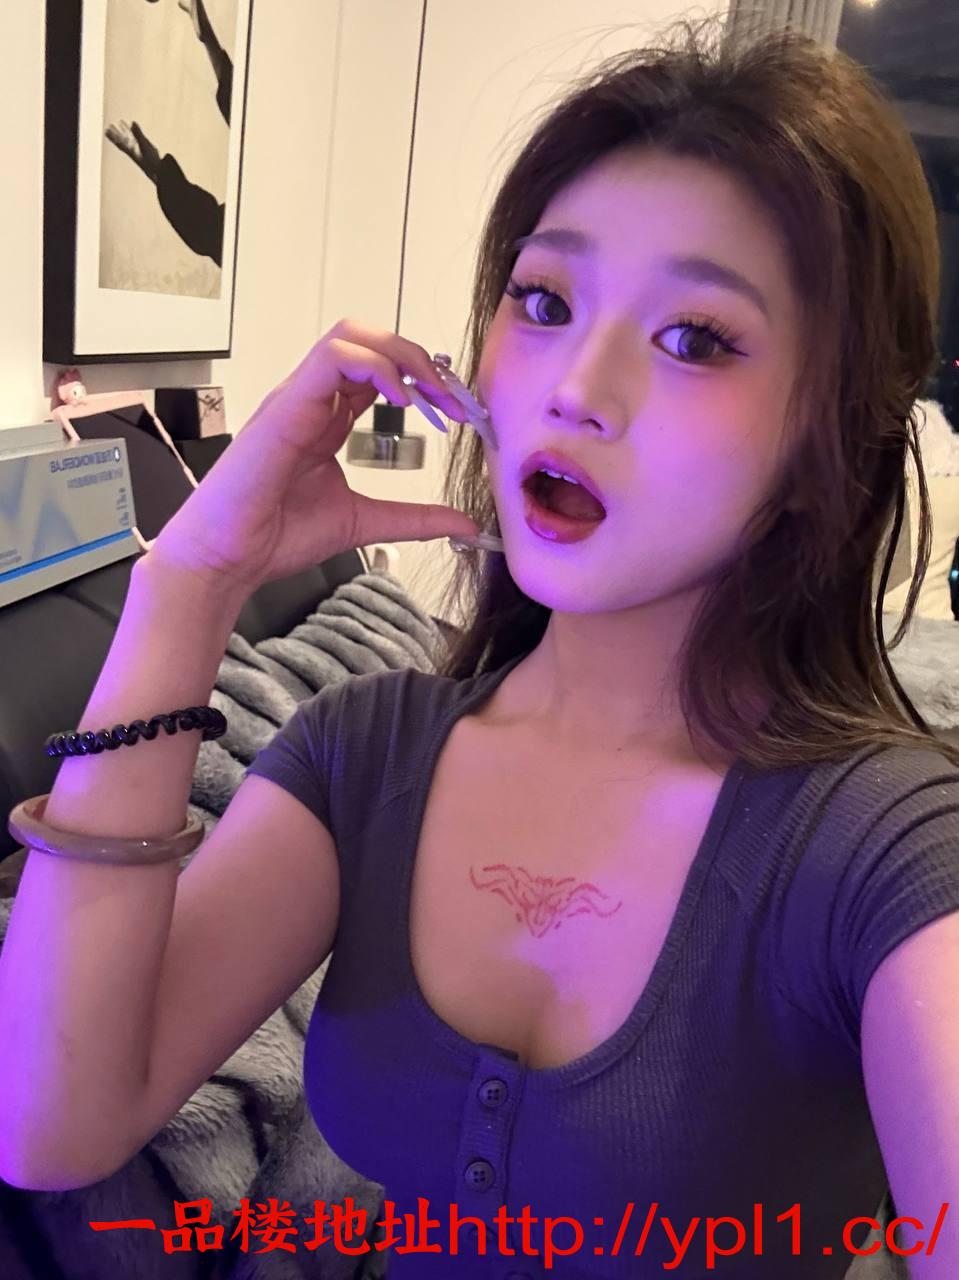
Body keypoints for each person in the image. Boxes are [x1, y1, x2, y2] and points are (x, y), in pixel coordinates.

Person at [2, 17, 958, 1279]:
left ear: (820, 439)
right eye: (543, 300)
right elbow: (52, 1124)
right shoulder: (362, 756)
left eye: (695, 337)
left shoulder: (882, 845)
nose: (575, 386)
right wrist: (186, 582)